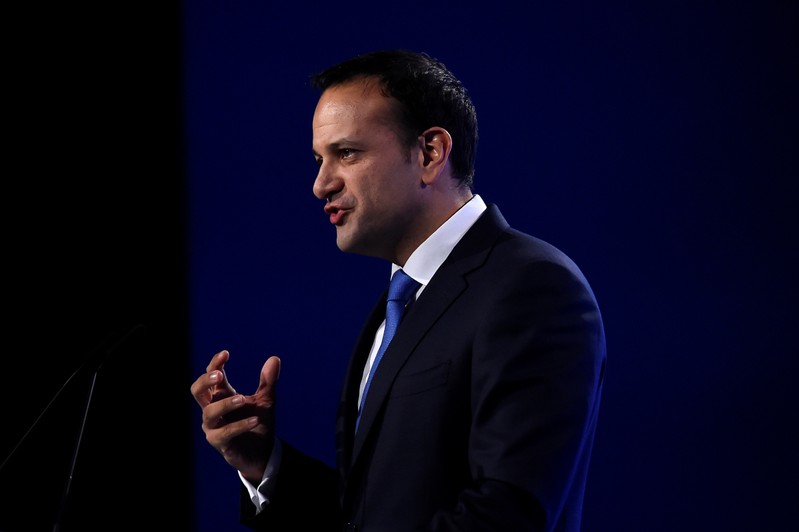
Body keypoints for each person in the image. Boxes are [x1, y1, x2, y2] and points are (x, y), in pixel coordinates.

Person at [191, 49, 606, 531]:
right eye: (319, 159)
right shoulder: (396, 309)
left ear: (429, 153)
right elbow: (369, 517)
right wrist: (265, 466)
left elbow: (506, 515)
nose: (320, 184)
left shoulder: (533, 287)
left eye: (346, 153)